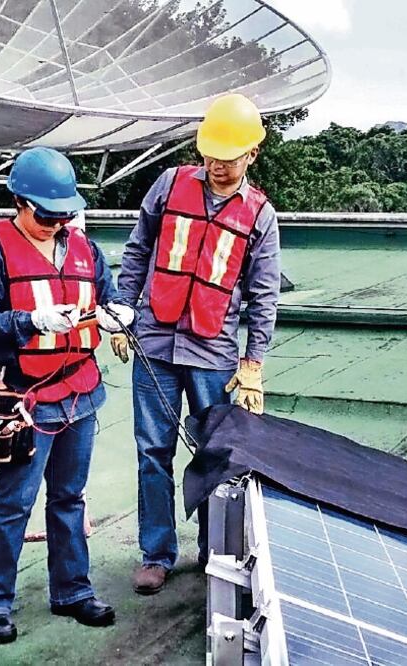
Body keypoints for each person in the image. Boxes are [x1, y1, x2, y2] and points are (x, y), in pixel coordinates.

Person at [0, 147, 134, 644]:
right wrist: (28, 321)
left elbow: (105, 292)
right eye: (46, 213)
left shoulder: (83, 247)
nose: (56, 222)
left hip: (81, 390)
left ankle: (72, 591)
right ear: (19, 201)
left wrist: (117, 312)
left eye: (64, 214)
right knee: (13, 502)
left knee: (70, 497)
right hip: (26, 400)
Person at [113, 93, 281, 595]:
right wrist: (124, 308)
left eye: (229, 159)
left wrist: (252, 363)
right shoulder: (169, 185)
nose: (217, 166)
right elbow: (139, 249)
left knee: (215, 456)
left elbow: (263, 295)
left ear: (252, 153)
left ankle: (215, 554)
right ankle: (157, 554)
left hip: (213, 354)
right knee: (152, 451)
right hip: (155, 343)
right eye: (211, 155)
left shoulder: (260, 215)